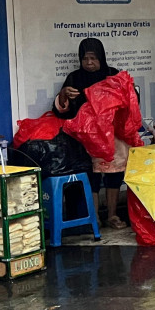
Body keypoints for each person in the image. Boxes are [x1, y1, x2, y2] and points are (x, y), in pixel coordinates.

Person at [53, 38, 126, 228]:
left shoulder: (113, 75)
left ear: (101, 57)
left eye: (93, 58)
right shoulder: (74, 78)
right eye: (85, 59)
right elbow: (62, 112)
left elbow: (128, 102)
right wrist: (63, 96)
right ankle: (95, 218)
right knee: (92, 175)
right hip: (85, 138)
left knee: (114, 175)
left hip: (112, 136)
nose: (89, 63)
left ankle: (112, 215)